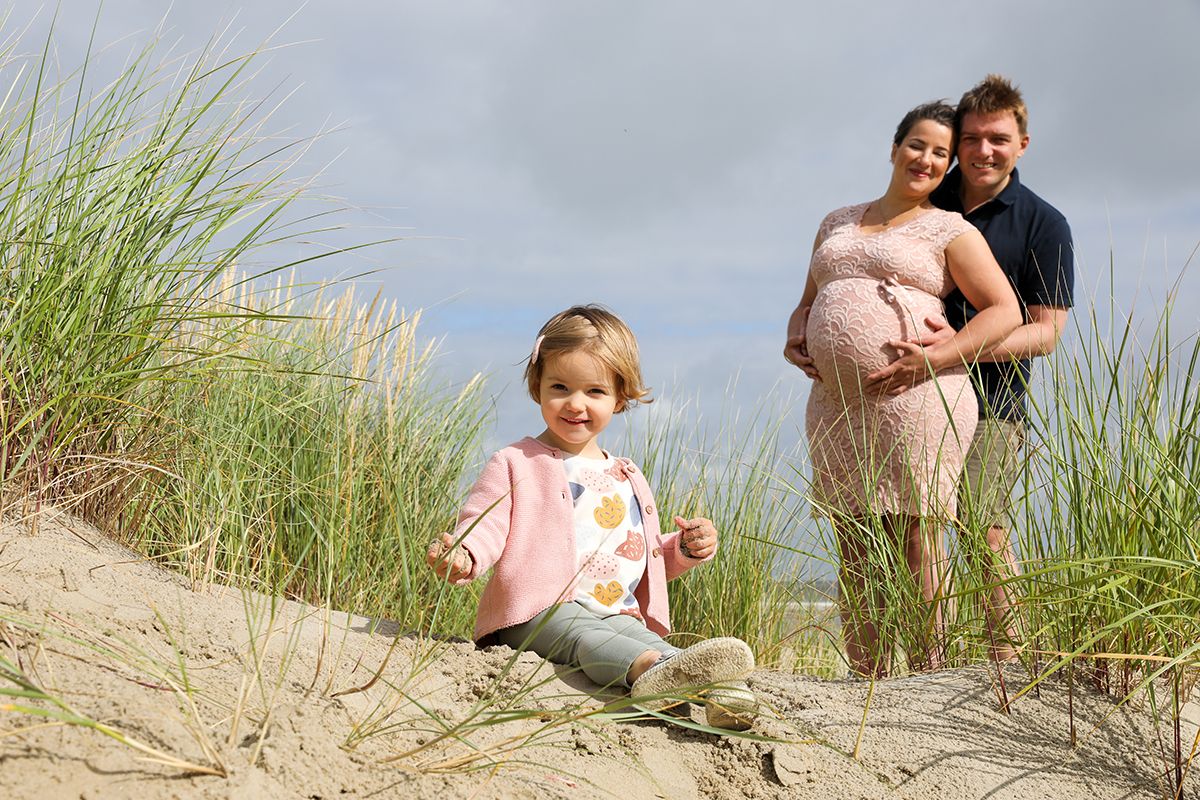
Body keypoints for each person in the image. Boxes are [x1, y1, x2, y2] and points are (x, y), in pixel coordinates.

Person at [427, 304, 757, 730]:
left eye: (595, 392)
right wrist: (465, 551)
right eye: (560, 386)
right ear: (537, 386)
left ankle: (715, 689)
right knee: (588, 638)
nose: (575, 404)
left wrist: (685, 549)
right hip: (535, 614)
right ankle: (650, 674)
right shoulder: (516, 462)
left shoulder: (626, 474)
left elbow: (644, 556)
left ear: (620, 398)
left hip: (617, 612)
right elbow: (487, 521)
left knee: (644, 638)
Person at [784, 101, 1021, 677]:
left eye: (941, 153)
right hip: (837, 403)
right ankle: (868, 674)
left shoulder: (948, 228)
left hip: (916, 398)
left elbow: (1004, 310)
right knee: (855, 539)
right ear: (894, 149)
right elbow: (810, 299)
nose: (927, 159)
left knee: (919, 535)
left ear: (949, 168)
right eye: (918, 145)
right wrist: (796, 330)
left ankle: (926, 672)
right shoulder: (836, 221)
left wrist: (937, 356)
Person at [921, 75, 1074, 661]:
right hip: (907, 396)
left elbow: (1046, 333)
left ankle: (1007, 663)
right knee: (909, 530)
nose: (985, 151)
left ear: (1023, 144)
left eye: (999, 139)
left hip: (993, 401)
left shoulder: (1043, 223)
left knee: (984, 528)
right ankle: (922, 661)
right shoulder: (926, 201)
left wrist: (956, 349)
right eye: (973, 138)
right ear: (956, 142)